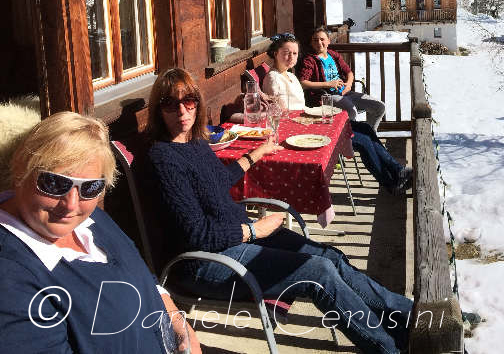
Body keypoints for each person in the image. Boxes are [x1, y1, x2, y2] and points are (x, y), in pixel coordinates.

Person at [146, 68, 413, 353]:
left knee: (330, 256)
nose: (182, 111)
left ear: (197, 103)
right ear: (158, 110)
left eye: (188, 101)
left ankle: (405, 316)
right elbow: (197, 234)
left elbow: (219, 180)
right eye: (170, 104)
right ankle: (387, 348)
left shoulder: (195, 142)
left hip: (236, 241)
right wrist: (252, 230)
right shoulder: (163, 159)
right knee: (317, 272)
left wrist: (255, 155)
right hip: (204, 262)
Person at [0, 111, 200, 353]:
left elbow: (144, 279)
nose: (71, 204)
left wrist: (181, 328)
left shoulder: (91, 219)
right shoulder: (11, 277)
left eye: (90, 187)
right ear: (21, 169)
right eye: (53, 183)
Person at [264, 33, 410, 191]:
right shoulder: (274, 78)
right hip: (300, 130)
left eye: (294, 53)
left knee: (366, 129)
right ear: (275, 53)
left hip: (308, 121)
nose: (291, 57)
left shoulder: (290, 75)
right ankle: (391, 182)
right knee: (362, 140)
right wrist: (314, 119)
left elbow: (347, 72)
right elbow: (283, 114)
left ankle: (397, 171)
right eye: (286, 53)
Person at [298, 27, 386, 130]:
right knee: (351, 111)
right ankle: (351, 141)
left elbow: (349, 72)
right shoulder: (309, 60)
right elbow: (303, 83)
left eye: (322, 39)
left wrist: (348, 85)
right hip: (327, 96)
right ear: (311, 43)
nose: (319, 42)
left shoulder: (333, 55)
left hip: (345, 93)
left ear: (328, 41)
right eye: (315, 40)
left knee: (379, 107)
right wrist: (328, 84)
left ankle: (370, 135)